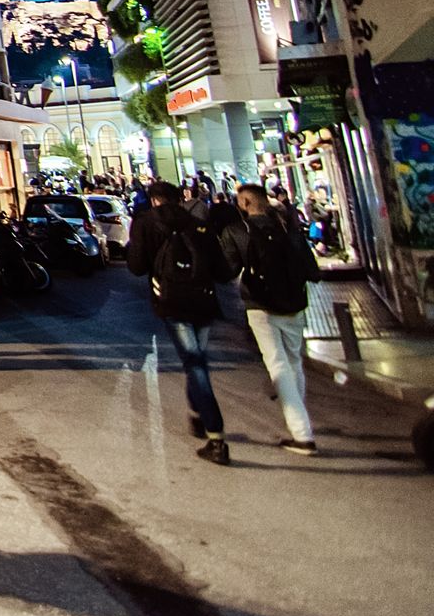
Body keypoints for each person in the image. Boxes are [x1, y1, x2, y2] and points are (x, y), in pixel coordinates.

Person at [129, 179, 237, 465]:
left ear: (154, 200)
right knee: (197, 359)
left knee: (195, 363)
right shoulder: (198, 224)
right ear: (180, 199)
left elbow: (136, 266)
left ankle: (216, 436)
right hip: (203, 301)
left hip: (171, 301)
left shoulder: (145, 223)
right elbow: (223, 271)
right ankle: (198, 414)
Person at [220, 182, 322, 455]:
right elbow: (309, 266)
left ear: (245, 203)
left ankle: (302, 434)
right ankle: (298, 419)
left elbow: (228, 270)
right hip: (294, 302)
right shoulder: (287, 226)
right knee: (294, 361)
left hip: (260, 305)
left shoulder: (237, 231)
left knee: (277, 365)